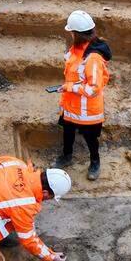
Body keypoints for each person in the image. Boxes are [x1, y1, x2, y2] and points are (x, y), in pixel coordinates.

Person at [51, 10, 112, 181]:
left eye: (71, 32)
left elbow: (93, 89)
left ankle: (95, 162)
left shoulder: (93, 58)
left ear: (76, 34)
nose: (69, 34)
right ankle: (67, 156)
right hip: (71, 105)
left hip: (88, 111)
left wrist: (69, 87)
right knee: (68, 131)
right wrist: (68, 88)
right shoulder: (77, 49)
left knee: (90, 137)